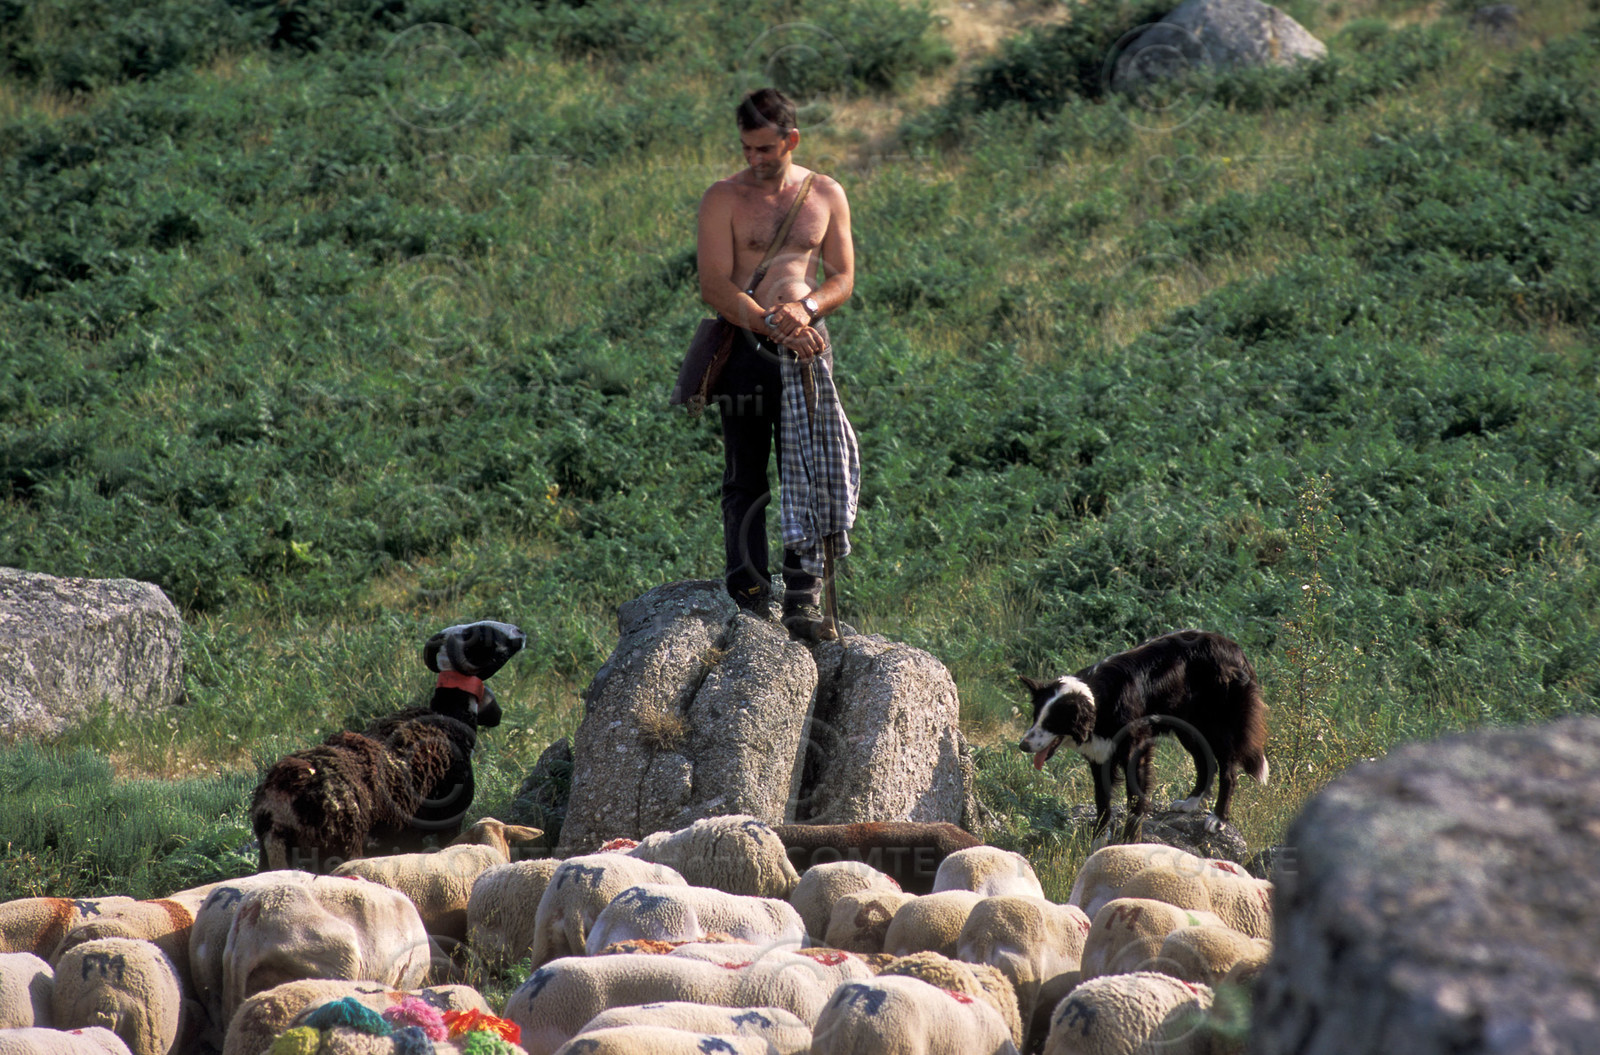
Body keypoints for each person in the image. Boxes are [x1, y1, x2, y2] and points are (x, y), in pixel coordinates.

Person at [696, 87, 857, 641]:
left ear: (791, 139)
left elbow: (842, 278)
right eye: (746, 148)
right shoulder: (724, 198)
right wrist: (770, 322)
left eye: (766, 148)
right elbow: (715, 284)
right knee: (744, 476)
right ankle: (747, 593)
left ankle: (802, 601)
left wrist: (805, 309)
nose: (755, 159)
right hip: (746, 349)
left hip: (808, 349)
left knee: (807, 471)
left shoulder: (826, 193)